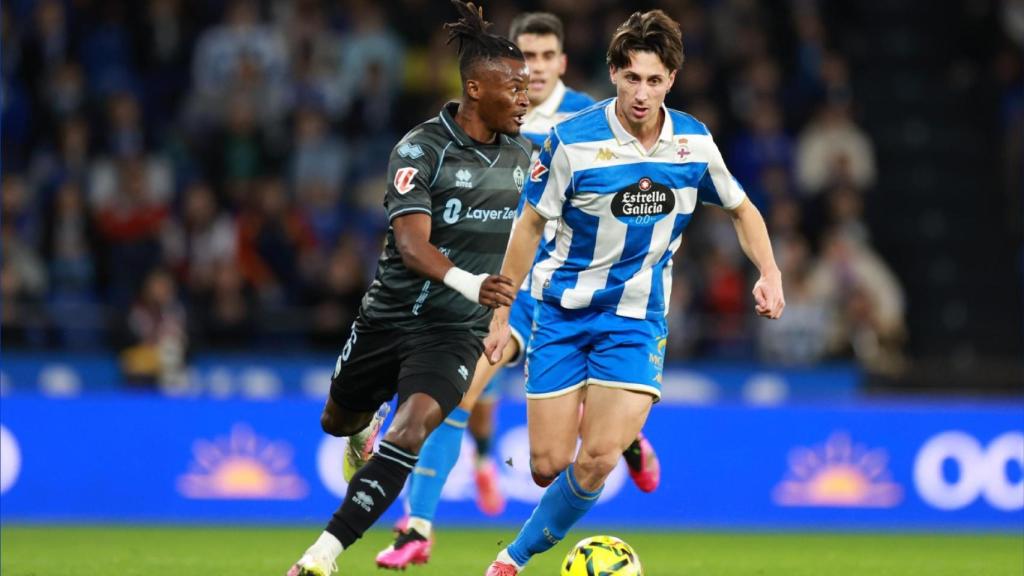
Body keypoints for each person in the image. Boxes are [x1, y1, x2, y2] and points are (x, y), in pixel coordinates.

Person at [482, 10, 785, 575]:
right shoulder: (572, 142)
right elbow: (527, 226)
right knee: (548, 467)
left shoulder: (693, 143)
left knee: (592, 462)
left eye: (654, 80)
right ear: (614, 75)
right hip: (561, 312)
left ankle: (510, 560)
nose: (642, 94)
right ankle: (625, 438)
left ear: (671, 79)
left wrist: (769, 271)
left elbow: (743, 209)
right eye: (631, 78)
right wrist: (501, 314)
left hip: (635, 318)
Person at [375, 12, 661, 571]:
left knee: (580, 413)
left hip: (571, 288)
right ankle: (419, 528)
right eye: (523, 58)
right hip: (506, 281)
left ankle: (624, 438)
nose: (532, 68)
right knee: (459, 390)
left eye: (545, 57)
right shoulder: (494, 114)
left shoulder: (590, 117)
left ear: (562, 62)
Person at [285, 2, 532, 574]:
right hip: (388, 317)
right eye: (513, 87)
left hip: (454, 333)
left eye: (527, 87)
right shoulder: (421, 149)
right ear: (475, 87)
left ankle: (323, 556)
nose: (525, 97)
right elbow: (411, 246)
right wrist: (476, 284)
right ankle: (359, 429)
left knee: (413, 429)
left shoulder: (527, 158)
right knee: (335, 421)